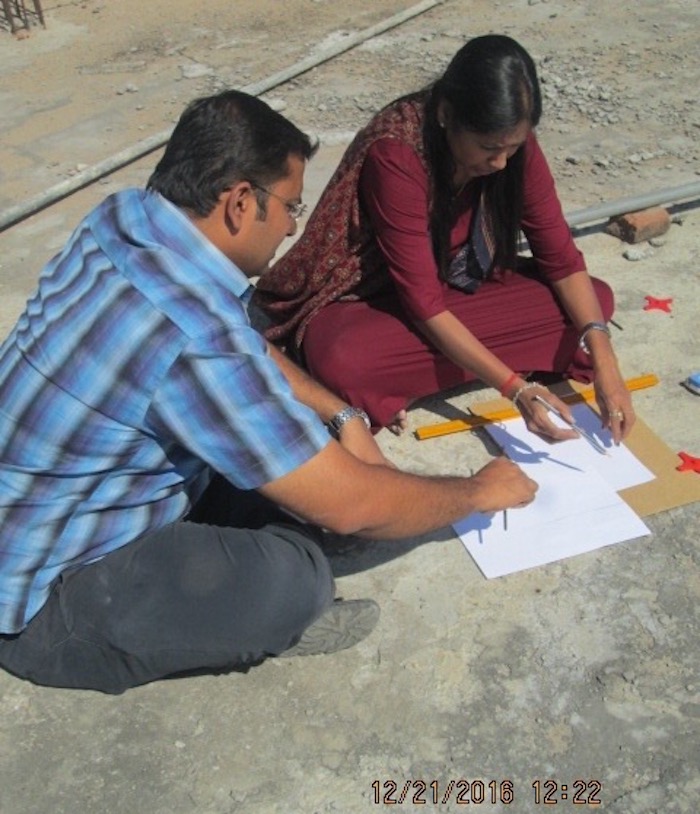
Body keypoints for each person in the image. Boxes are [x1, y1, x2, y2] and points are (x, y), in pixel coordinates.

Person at [0, 90, 537, 694]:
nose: (291, 225)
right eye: (289, 206)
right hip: (42, 595)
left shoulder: (126, 218)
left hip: (44, 498)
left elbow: (237, 339)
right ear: (237, 203)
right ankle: (90, 639)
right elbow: (353, 508)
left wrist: (341, 413)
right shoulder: (190, 332)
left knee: (296, 461)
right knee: (299, 577)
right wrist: (476, 491)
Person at [252, 34, 636, 441]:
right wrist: (516, 387)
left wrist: (607, 365)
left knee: (594, 303)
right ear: (447, 115)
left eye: (512, 147)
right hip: (373, 301)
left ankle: (417, 377)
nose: (501, 162)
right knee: (343, 358)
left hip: (458, 284)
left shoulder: (512, 149)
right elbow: (422, 302)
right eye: (489, 148)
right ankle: (459, 365)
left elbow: (560, 258)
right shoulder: (398, 153)